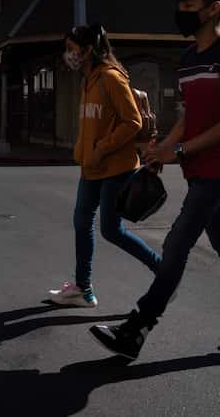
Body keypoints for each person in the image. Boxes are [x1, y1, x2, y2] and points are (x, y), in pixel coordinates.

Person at [90, 0, 220, 360]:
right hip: (195, 164)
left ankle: (137, 328)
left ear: (213, 8)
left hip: (219, 165)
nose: (181, 13)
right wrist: (162, 149)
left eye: (189, 6)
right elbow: (190, 114)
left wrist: (179, 148)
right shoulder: (190, 58)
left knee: (176, 243)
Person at [48, 24, 162, 308]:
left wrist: (101, 148)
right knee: (81, 223)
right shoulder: (88, 80)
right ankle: (83, 289)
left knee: (111, 230)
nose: (68, 54)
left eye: (72, 48)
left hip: (115, 169)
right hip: (91, 168)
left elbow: (133, 122)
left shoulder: (111, 78)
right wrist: (83, 150)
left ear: (88, 50)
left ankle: (164, 272)